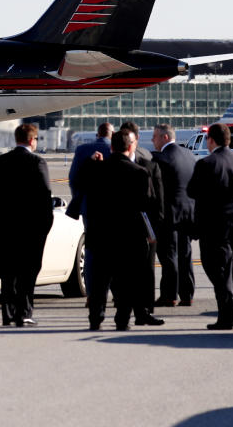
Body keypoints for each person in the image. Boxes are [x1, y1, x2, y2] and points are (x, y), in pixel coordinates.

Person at [80, 129, 165, 330]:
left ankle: (96, 317)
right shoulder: (140, 173)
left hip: (101, 233)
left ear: (111, 147)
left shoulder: (97, 170)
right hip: (130, 235)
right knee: (127, 280)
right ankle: (122, 319)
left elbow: (84, 188)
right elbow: (149, 203)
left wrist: (91, 163)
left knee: (100, 281)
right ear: (130, 147)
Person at [0, 123, 54, 327]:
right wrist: (46, 225)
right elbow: (44, 196)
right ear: (32, 140)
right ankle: (24, 312)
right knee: (29, 270)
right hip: (32, 228)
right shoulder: (38, 162)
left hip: (7, 226)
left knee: (8, 272)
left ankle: (8, 314)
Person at [187, 123, 233, 330]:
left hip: (217, 227)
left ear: (211, 140)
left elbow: (192, 191)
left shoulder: (207, 163)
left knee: (220, 271)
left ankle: (226, 317)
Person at [151, 124, 196, 307]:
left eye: (155, 136)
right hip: (188, 213)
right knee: (185, 255)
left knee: (169, 255)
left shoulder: (162, 158)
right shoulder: (189, 155)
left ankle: (169, 295)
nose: (153, 140)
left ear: (165, 138)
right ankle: (187, 294)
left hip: (170, 214)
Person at [120, 121, 163, 313]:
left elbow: (156, 199)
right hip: (142, 226)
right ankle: (142, 308)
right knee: (143, 270)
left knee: (136, 270)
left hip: (140, 226)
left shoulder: (146, 162)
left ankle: (139, 308)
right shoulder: (147, 160)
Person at [66, 122, 113, 294]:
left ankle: (92, 293)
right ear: (111, 134)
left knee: (91, 252)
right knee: (115, 251)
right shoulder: (116, 149)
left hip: (90, 209)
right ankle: (116, 294)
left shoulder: (82, 150)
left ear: (97, 134)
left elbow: (72, 180)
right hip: (113, 210)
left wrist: (79, 201)